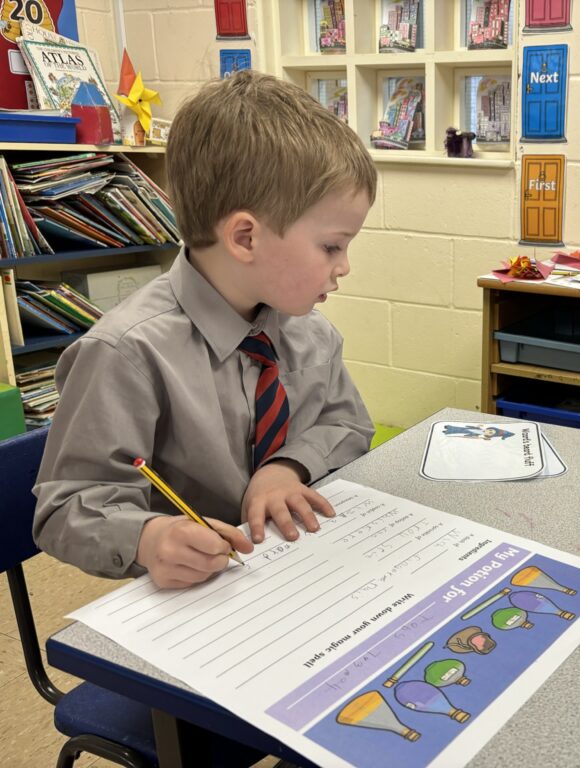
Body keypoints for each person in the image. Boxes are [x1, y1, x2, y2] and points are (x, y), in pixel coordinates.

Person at [33, 70, 378, 588]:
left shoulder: (310, 331)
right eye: (332, 246)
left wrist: (286, 467)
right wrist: (148, 538)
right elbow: (65, 508)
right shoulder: (126, 353)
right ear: (245, 238)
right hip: (203, 597)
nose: (343, 266)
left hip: (301, 571)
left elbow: (349, 424)